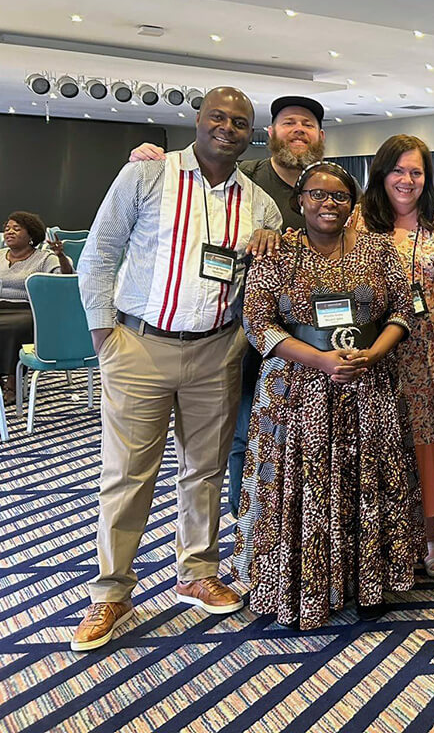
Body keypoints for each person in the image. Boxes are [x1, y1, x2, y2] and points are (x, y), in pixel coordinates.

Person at [72, 87, 284, 652]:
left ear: (250, 133)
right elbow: (99, 253)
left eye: (240, 122)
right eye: (218, 117)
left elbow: (264, 283)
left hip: (217, 351)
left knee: (206, 470)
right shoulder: (146, 176)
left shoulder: (261, 204)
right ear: (198, 120)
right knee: (127, 475)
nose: (228, 128)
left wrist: (241, 337)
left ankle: (196, 570)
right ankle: (110, 592)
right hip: (139, 344)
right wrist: (103, 334)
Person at [232, 161, 423, 629]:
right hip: (297, 392)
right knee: (302, 487)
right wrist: (321, 361)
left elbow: (403, 308)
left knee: (367, 482)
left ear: (352, 204)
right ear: (299, 200)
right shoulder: (278, 252)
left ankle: (370, 581)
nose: (328, 204)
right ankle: (300, 585)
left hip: (367, 385)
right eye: (317, 194)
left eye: (339, 197)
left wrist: (372, 355)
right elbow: (257, 321)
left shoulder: (379, 249)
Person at [130, 96, 325, 515]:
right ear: (269, 134)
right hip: (248, 337)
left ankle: (294, 528)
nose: (298, 131)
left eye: (307, 125)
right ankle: (246, 528)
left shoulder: (334, 187)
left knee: (306, 439)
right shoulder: (247, 180)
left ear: (320, 137)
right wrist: (148, 157)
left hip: (318, 342)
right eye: (289, 123)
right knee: (243, 436)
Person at [351, 134, 434, 578]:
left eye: (417, 172)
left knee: (429, 445)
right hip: (378, 353)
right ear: (381, 173)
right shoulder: (357, 221)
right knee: (382, 446)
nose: (407, 180)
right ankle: (386, 536)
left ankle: (432, 535)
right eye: (398, 170)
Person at [0, 212, 73, 395]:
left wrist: (61, 257)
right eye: (7, 229)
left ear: (31, 235)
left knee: (17, 327)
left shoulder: (45, 258)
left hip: (29, 309)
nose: (9, 232)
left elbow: (66, 280)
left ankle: (14, 380)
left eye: (16, 228)